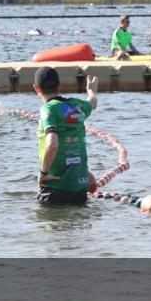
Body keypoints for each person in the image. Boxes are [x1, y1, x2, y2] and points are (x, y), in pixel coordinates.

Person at [33, 67, 99, 205]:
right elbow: (92, 103)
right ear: (59, 86)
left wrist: (43, 173)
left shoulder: (48, 109)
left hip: (55, 188)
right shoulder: (76, 105)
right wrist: (91, 90)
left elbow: (52, 143)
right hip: (79, 189)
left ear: (36, 88)